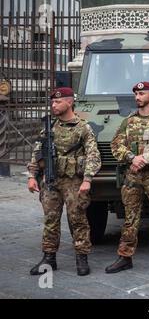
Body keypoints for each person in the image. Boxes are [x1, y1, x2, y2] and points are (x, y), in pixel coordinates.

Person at [27, 87, 101, 276]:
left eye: (57, 102)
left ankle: (81, 258)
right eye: (52, 102)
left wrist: (87, 179)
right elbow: (37, 152)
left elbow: (93, 155)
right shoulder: (49, 127)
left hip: (73, 182)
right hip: (51, 181)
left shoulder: (83, 127)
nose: (53, 105)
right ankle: (49, 258)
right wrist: (31, 176)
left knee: (78, 220)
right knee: (50, 220)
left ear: (69, 102)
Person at [105, 81, 149, 273]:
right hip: (133, 177)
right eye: (136, 94)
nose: (138, 97)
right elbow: (116, 145)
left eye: (142, 93)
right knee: (130, 219)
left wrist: (145, 158)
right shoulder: (128, 121)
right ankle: (125, 257)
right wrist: (131, 158)